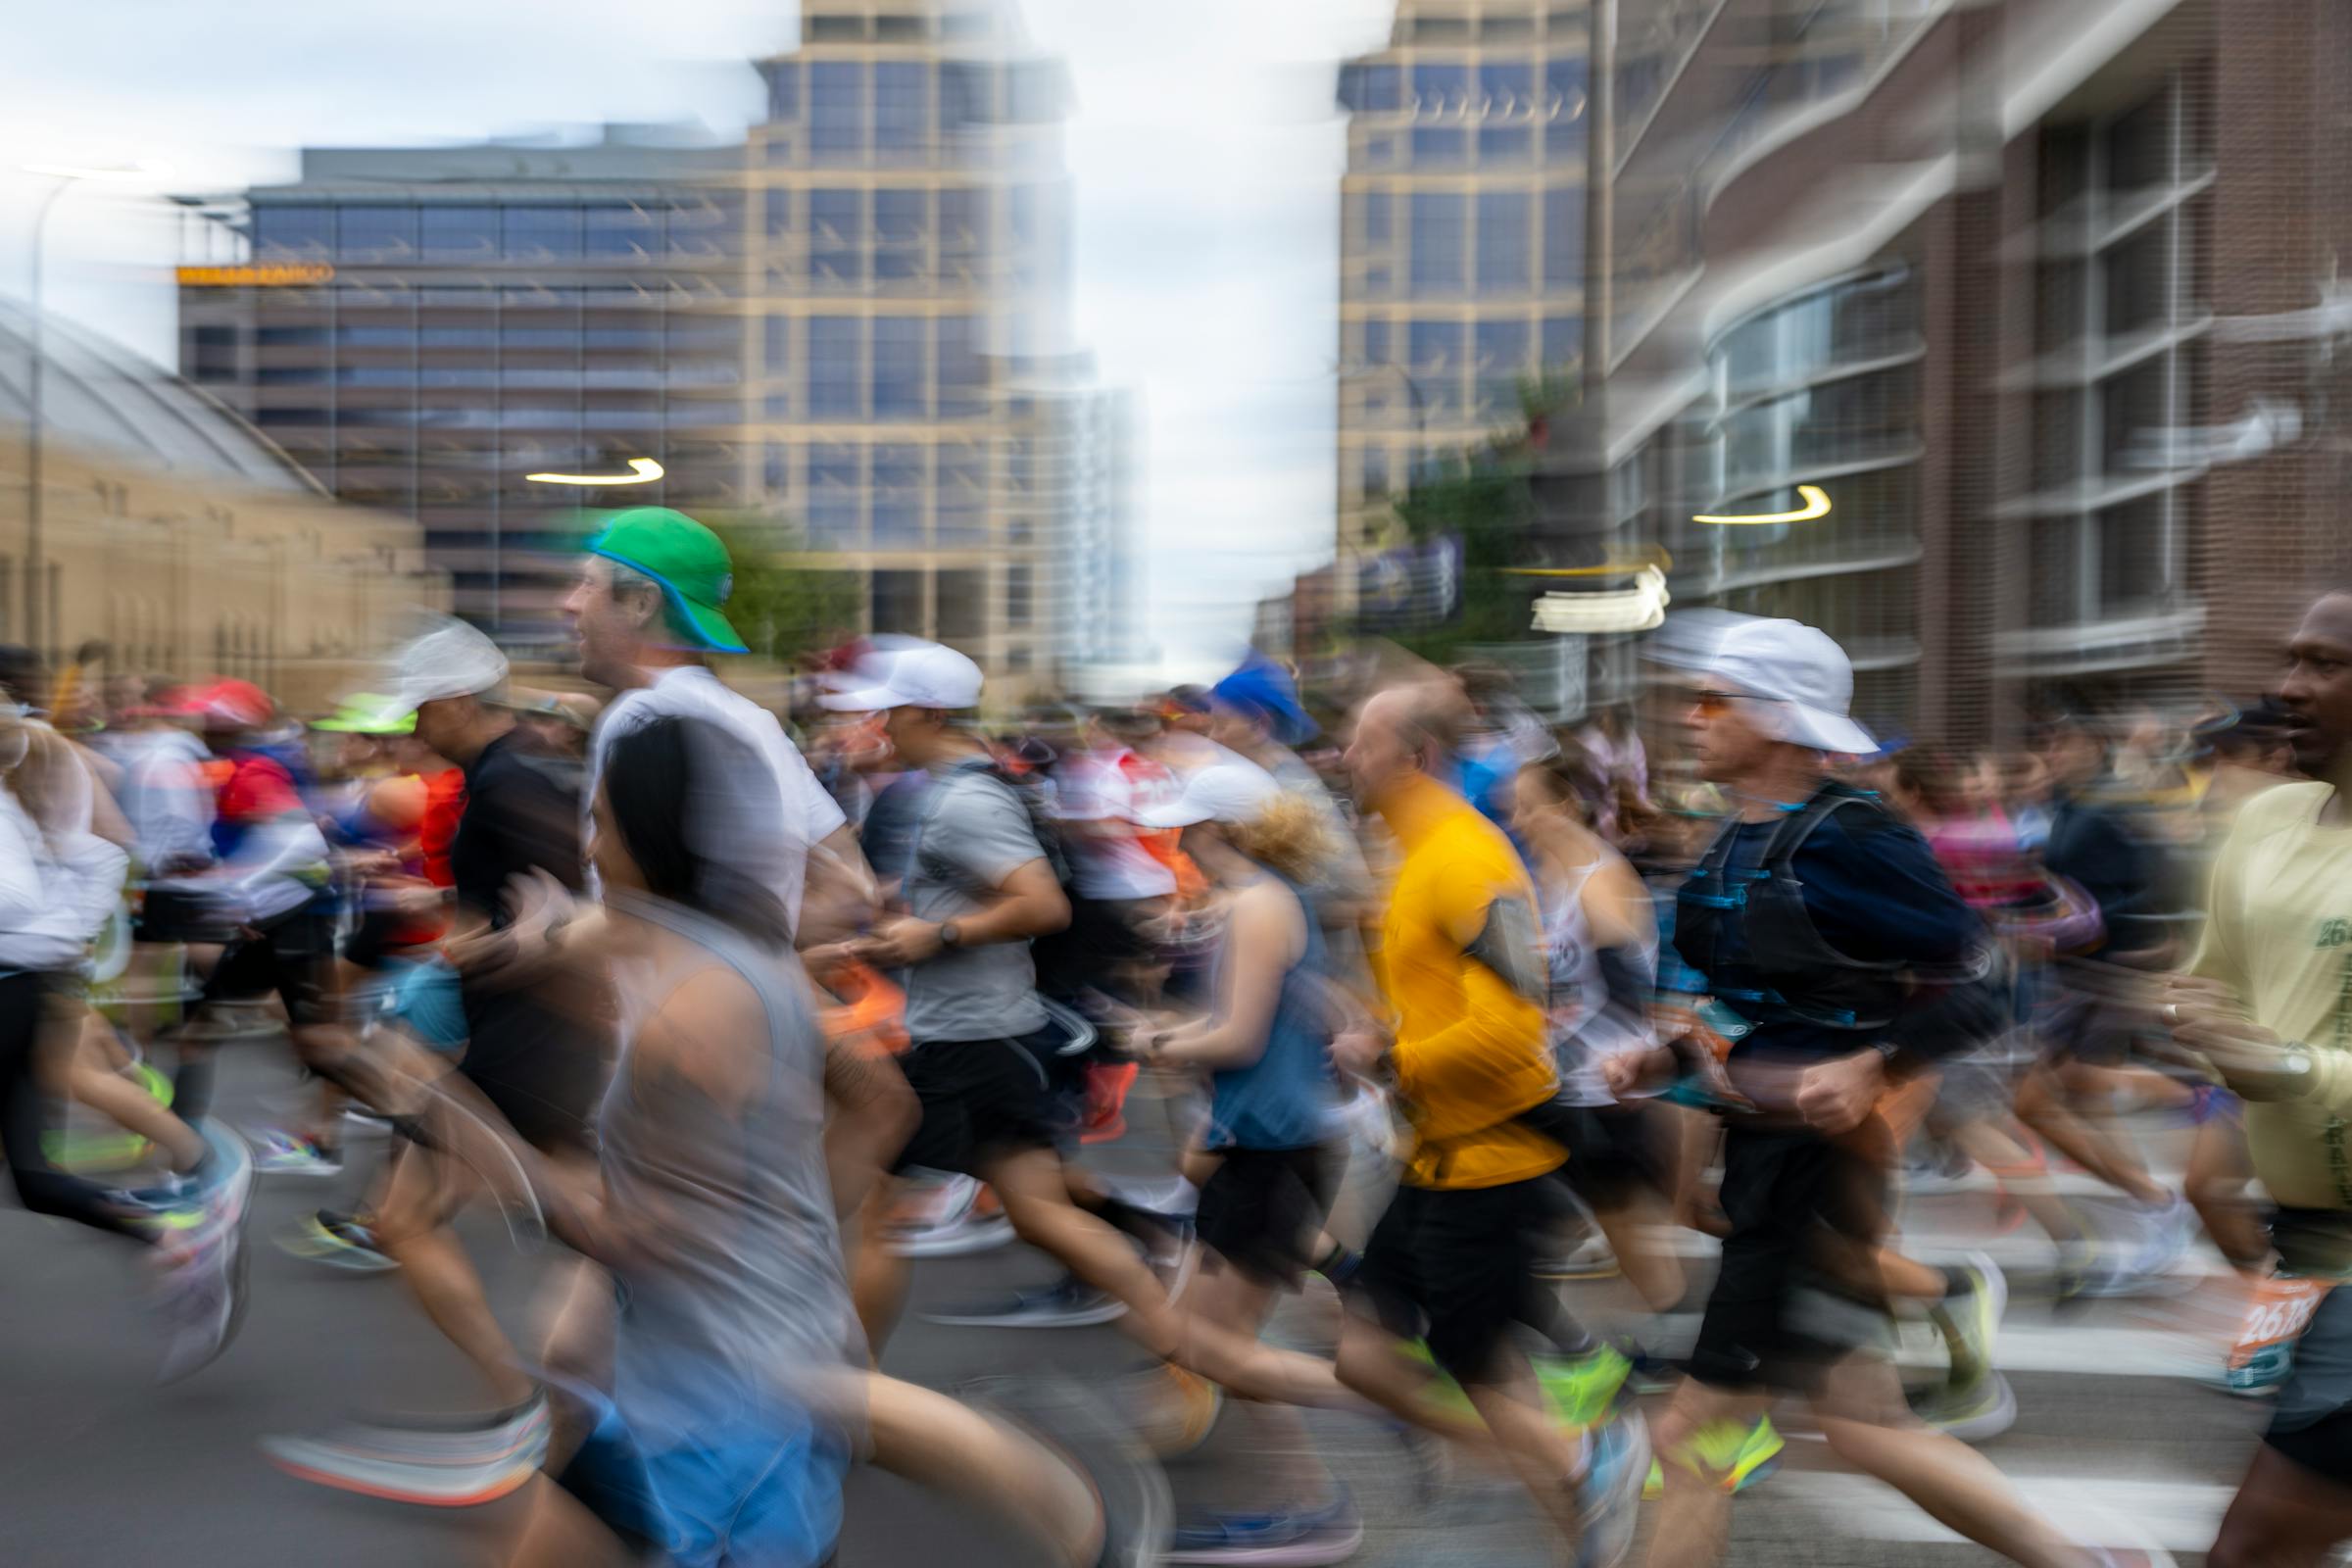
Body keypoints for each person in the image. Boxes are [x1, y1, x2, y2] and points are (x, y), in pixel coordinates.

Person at [1643, 616, 2155, 1568]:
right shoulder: (1735, 838)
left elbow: (1992, 973)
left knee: (1690, 1437)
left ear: (1780, 720)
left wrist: (1877, 1063)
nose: (1690, 716)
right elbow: (1754, 1007)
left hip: (1812, 1179)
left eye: (1713, 700)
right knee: (1866, 1426)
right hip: (1771, 1170)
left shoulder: (1852, 836)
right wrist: (1667, 1062)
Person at [266, 618, 609, 1505]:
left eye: (420, 712)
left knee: (570, 1224)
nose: (409, 730)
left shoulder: (504, 783)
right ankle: (546, 1405)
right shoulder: (503, 770)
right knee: (449, 1218)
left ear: (458, 703)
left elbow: (571, 906)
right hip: (511, 1027)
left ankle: (555, 1406)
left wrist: (484, 948)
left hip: (526, 1033)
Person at [1329, 680, 1649, 1568]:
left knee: (1477, 1362)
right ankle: (1550, 1472)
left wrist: (1391, 1059)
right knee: (1365, 1348)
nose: (1346, 758)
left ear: (1416, 757)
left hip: (1489, 1161)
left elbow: (1512, 1030)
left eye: (1361, 742)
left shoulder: (1466, 857)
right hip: (1436, 1155)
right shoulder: (1420, 852)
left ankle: (1587, 1459)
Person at [1132, 760, 1363, 1563]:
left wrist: (1154, 1040)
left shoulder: (1259, 904)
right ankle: (1308, 1503)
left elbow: (1238, 1037)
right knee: (1199, 1340)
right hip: (1259, 1144)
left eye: (1187, 826)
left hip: (1274, 1149)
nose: (1177, 839)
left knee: (1214, 1349)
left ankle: (1394, 1409)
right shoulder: (1260, 898)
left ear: (1221, 830)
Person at [2165, 590, 2352, 1566]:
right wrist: (2200, 1028)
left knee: (2253, 1551)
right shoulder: (2270, 819)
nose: (2289, 686)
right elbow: (2210, 987)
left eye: (2327, 664)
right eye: (2293, 659)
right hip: (2314, 1242)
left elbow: (2272, 1053)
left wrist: (2284, 1066)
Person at [0, 699, 254, 1382]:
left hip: (16, 988)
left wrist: (60, 940)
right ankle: (178, 1238)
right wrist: (65, 938)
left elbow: (18, 895)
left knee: (55, 1132)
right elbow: (100, 854)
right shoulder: (23, 795)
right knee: (34, 1179)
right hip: (29, 983)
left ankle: (197, 1167)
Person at [562, 505, 873, 947]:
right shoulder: (756, 721)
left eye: (588, 584)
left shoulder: (641, 718)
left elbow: (620, 912)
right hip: (744, 1001)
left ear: (640, 603)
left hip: (670, 1006)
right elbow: (856, 890)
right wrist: (766, 955)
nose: (569, 603)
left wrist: (529, 945)